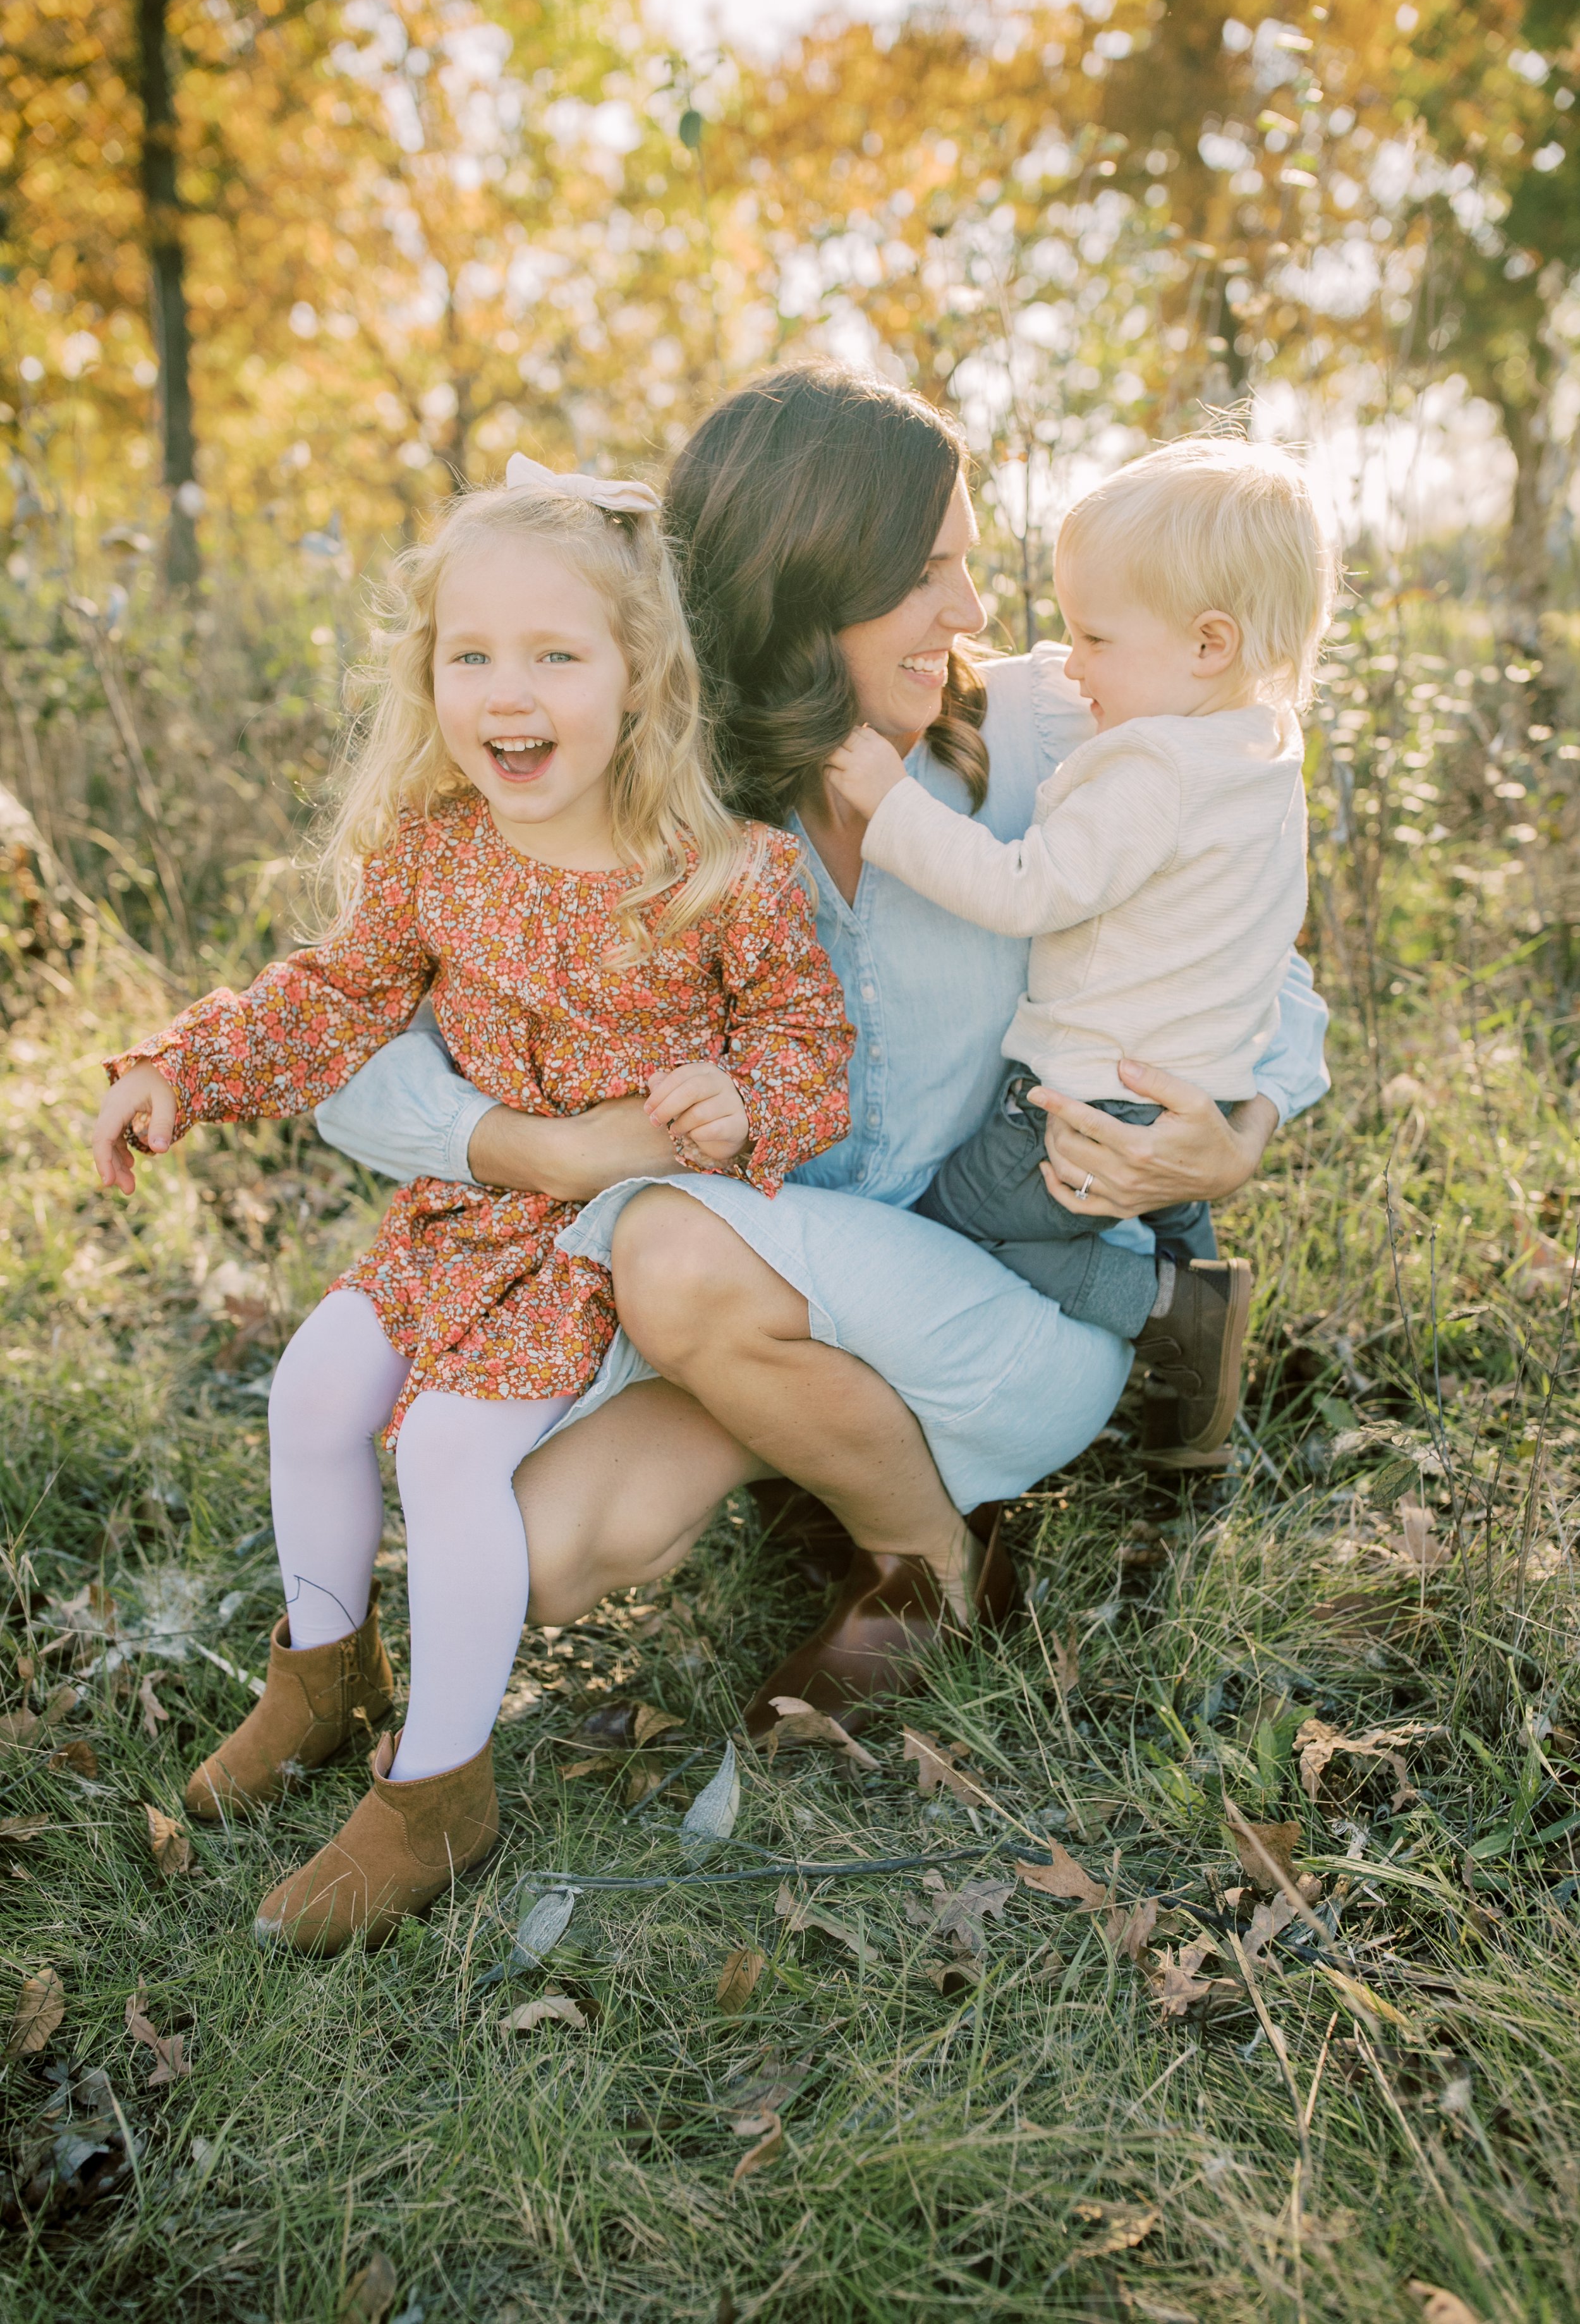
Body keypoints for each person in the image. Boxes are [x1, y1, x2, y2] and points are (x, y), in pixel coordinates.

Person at [316, 366, 1330, 1736]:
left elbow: (1254, 955)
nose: (971, 613)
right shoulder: (628, 798)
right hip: (756, 1306)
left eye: (965, 567)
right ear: (808, 582)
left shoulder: (1053, 729)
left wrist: (1239, 1125)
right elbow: (350, 1058)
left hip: (990, 1296)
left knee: (670, 1247)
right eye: (927, 574)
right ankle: (808, 1439)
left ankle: (927, 1569)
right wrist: (534, 1148)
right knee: (538, 1554)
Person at [88, 458, 852, 1952]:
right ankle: (325, 1678)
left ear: (638, 680)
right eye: (472, 655)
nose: (510, 691)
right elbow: (332, 997)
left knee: (444, 1448)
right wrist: (187, 1065)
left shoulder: (721, 874)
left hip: (615, 1245)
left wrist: (745, 1099)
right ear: (426, 673)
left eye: (556, 654)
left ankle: (441, 1789)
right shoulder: (437, 855)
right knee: (313, 1390)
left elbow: (805, 1045)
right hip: (471, 1222)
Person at [824, 434, 1334, 1466]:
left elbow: (1027, 889)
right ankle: (1192, 1414)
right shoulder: (1261, 756)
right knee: (1176, 1214)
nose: (1072, 662)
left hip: (1088, 1099)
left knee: (960, 1228)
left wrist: (889, 807)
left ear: (1208, 644)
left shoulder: (1152, 770)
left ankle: (1161, 1314)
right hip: (1188, 1080)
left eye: (1093, 637)